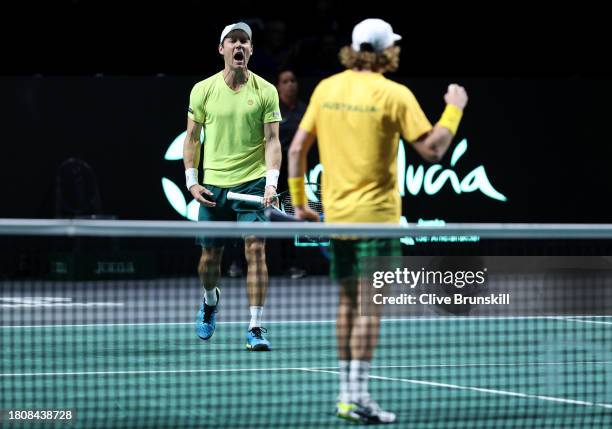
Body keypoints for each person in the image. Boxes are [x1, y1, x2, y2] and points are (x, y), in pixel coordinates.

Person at [288, 18, 468, 424]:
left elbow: (298, 149)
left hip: (338, 220)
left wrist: (300, 204)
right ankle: (360, 395)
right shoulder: (394, 94)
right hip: (378, 221)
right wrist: (454, 108)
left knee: (347, 304)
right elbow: (434, 150)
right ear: (388, 51)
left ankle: (344, 395)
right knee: (370, 309)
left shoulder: (326, 89)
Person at [183, 22, 282, 351]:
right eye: (233, 41)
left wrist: (271, 183)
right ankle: (210, 301)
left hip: (253, 185)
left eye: (245, 41)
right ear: (222, 49)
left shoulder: (266, 91)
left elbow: (272, 140)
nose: (239, 46)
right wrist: (192, 181)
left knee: (256, 250)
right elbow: (193, 138)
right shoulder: (203, 90)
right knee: (209, 258)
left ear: (251, 50)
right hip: (213, 187)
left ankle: (255, 325)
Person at [276, 69, 307, 279]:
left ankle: (292, 264)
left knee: (289, 218)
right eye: (285, 81)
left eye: (293, 80)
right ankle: (238, 263)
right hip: (271, 172)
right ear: (278, 86)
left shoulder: (304, 110)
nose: (290, 84)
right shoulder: (272, 108)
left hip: (293, 174)